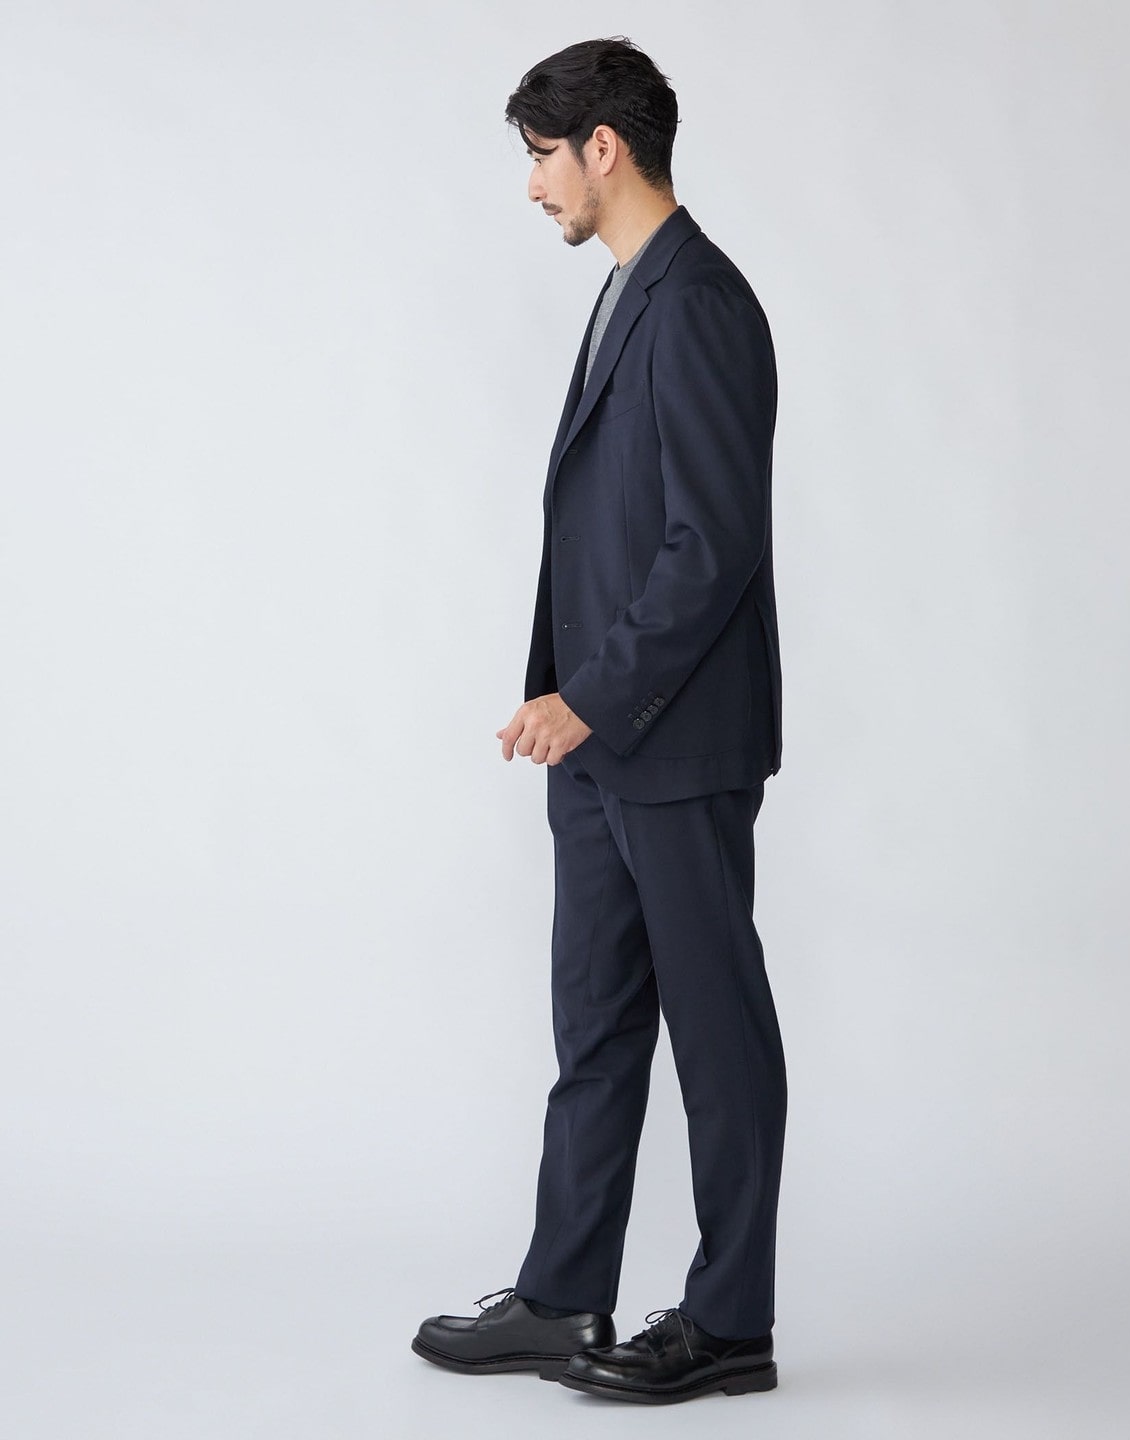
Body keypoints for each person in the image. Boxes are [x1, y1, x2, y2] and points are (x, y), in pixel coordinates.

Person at [412, 37, 788, 1405]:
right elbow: (607, 523)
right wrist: (560, 695)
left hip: (672, 740)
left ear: (604, 147)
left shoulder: (699, 302)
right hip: (598, 742)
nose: (533, 186)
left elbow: (712, 545)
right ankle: (565, 1295)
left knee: (718, 1035)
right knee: (597, 1025)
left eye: (540, 156)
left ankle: (730, 1323)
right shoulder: (631, 292)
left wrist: (594, 693)